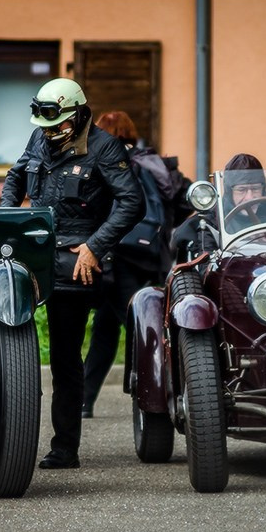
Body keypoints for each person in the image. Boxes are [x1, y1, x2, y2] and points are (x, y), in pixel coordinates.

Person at [0, 78, 143, 470]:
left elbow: (132, 203)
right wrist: (10, 218)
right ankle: (5, 441)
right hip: (30, 253)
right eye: (45, 124)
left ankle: (64, 448)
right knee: (9, 347)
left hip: (75, 262)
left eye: (59, 124)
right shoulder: (38, 137)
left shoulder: (104, 146)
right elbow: (15, 177)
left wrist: (96, 246)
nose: (51, 131)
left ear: (79, 113)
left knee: (64, 357)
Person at [81, 111, 176, 419]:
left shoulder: (109, 161)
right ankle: (85, 400)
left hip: (116, 254)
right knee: (106, 329)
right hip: (147, 256)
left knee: (138, 327)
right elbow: (179, 198)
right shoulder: (151, 161)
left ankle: (156, 394)